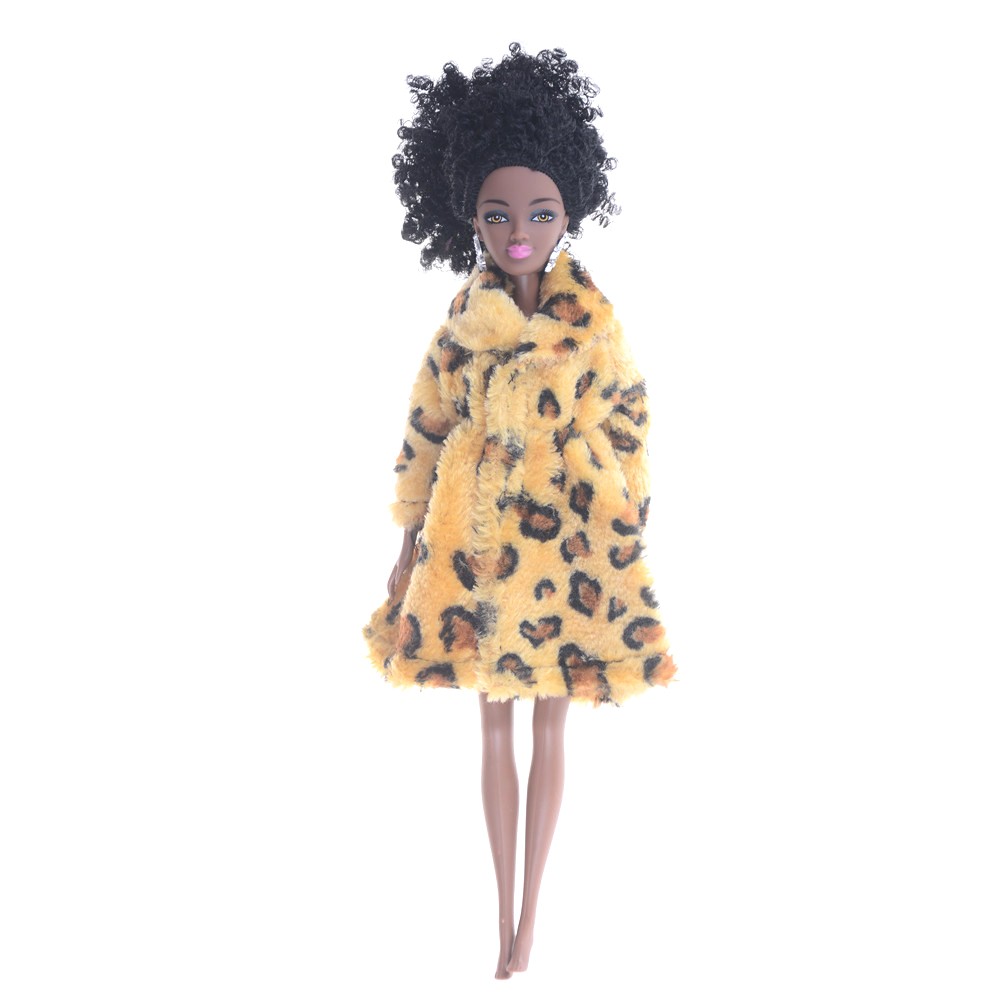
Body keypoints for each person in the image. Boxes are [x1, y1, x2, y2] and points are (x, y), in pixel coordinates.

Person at [362, 44, 677, 978]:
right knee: (494, 719)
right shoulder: (459, 325)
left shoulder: (595, 322)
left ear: (571, 211)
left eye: (540, 212)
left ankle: (529, 918)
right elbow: (423, 429)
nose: (520, 231)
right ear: (468, 217)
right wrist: (406, 539)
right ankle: (500, 911)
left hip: (573, 536)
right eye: (498, 214)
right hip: (478, 532)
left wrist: (631, 515)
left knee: (551, 721)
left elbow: (631, 416)